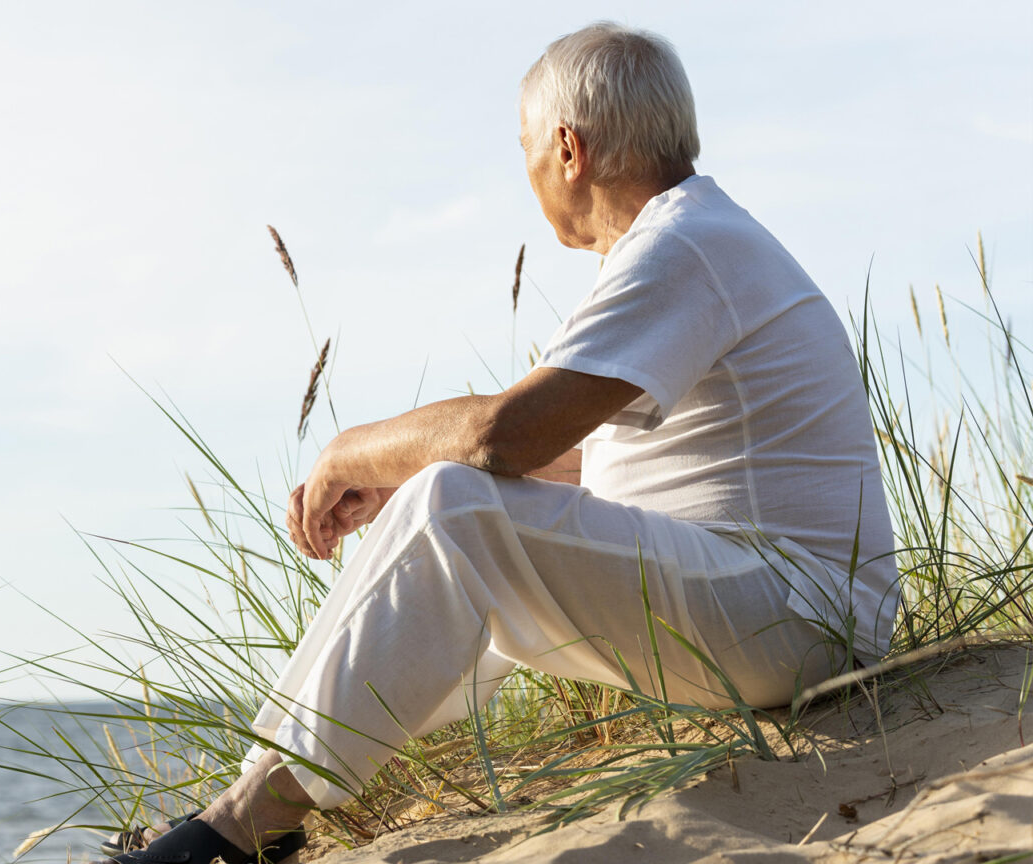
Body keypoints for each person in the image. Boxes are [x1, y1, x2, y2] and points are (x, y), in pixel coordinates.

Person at [106, 21, 898, 864]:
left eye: (525, 146)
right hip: (784, 610)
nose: (526, 168)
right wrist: (403, 483)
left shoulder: (684, 245)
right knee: (444, 503)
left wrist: (350, 452)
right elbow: (590, 461)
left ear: (568, 148)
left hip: (802, 616)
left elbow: (501, 438)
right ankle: (250, 800)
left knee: (453, 506)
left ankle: (241, 826)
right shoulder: (696, 238)